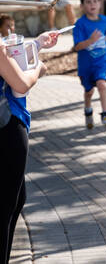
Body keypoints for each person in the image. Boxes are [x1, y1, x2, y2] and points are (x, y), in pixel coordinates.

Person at [0, 30, 59, 264]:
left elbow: (7, 63)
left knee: (16, 200)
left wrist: (36, 45)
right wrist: (38, 69)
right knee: (5, 208)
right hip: (7, 128)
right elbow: (21, 84)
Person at [73, 0, 106, 129]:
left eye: (95, 1)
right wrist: (90, 40)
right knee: (89, 91)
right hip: (86, 65)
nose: (92, 4)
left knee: (102, 85)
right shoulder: (80, 24)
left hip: (101, 62)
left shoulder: (105, 21)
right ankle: (88, 110)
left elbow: (105, 37)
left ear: (99, 3)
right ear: (82, 6)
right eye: (88, 2)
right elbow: (78, 46)